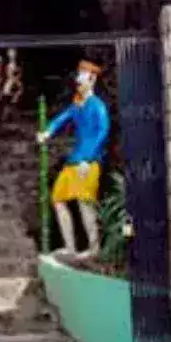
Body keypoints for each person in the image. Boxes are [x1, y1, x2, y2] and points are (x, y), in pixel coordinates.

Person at [36, 60, 110, 260]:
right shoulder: (77, 104)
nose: (78, 81)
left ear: (92, 80)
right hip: (74, 160)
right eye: (78, 77)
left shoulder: (97, 106)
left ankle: (94, 249)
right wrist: (47, 132)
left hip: (89, 160)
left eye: (82, 77)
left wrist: (90, 158)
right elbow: (61, 118)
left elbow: (103, 132)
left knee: (85, 202)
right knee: (58, 198)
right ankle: (70, 247)